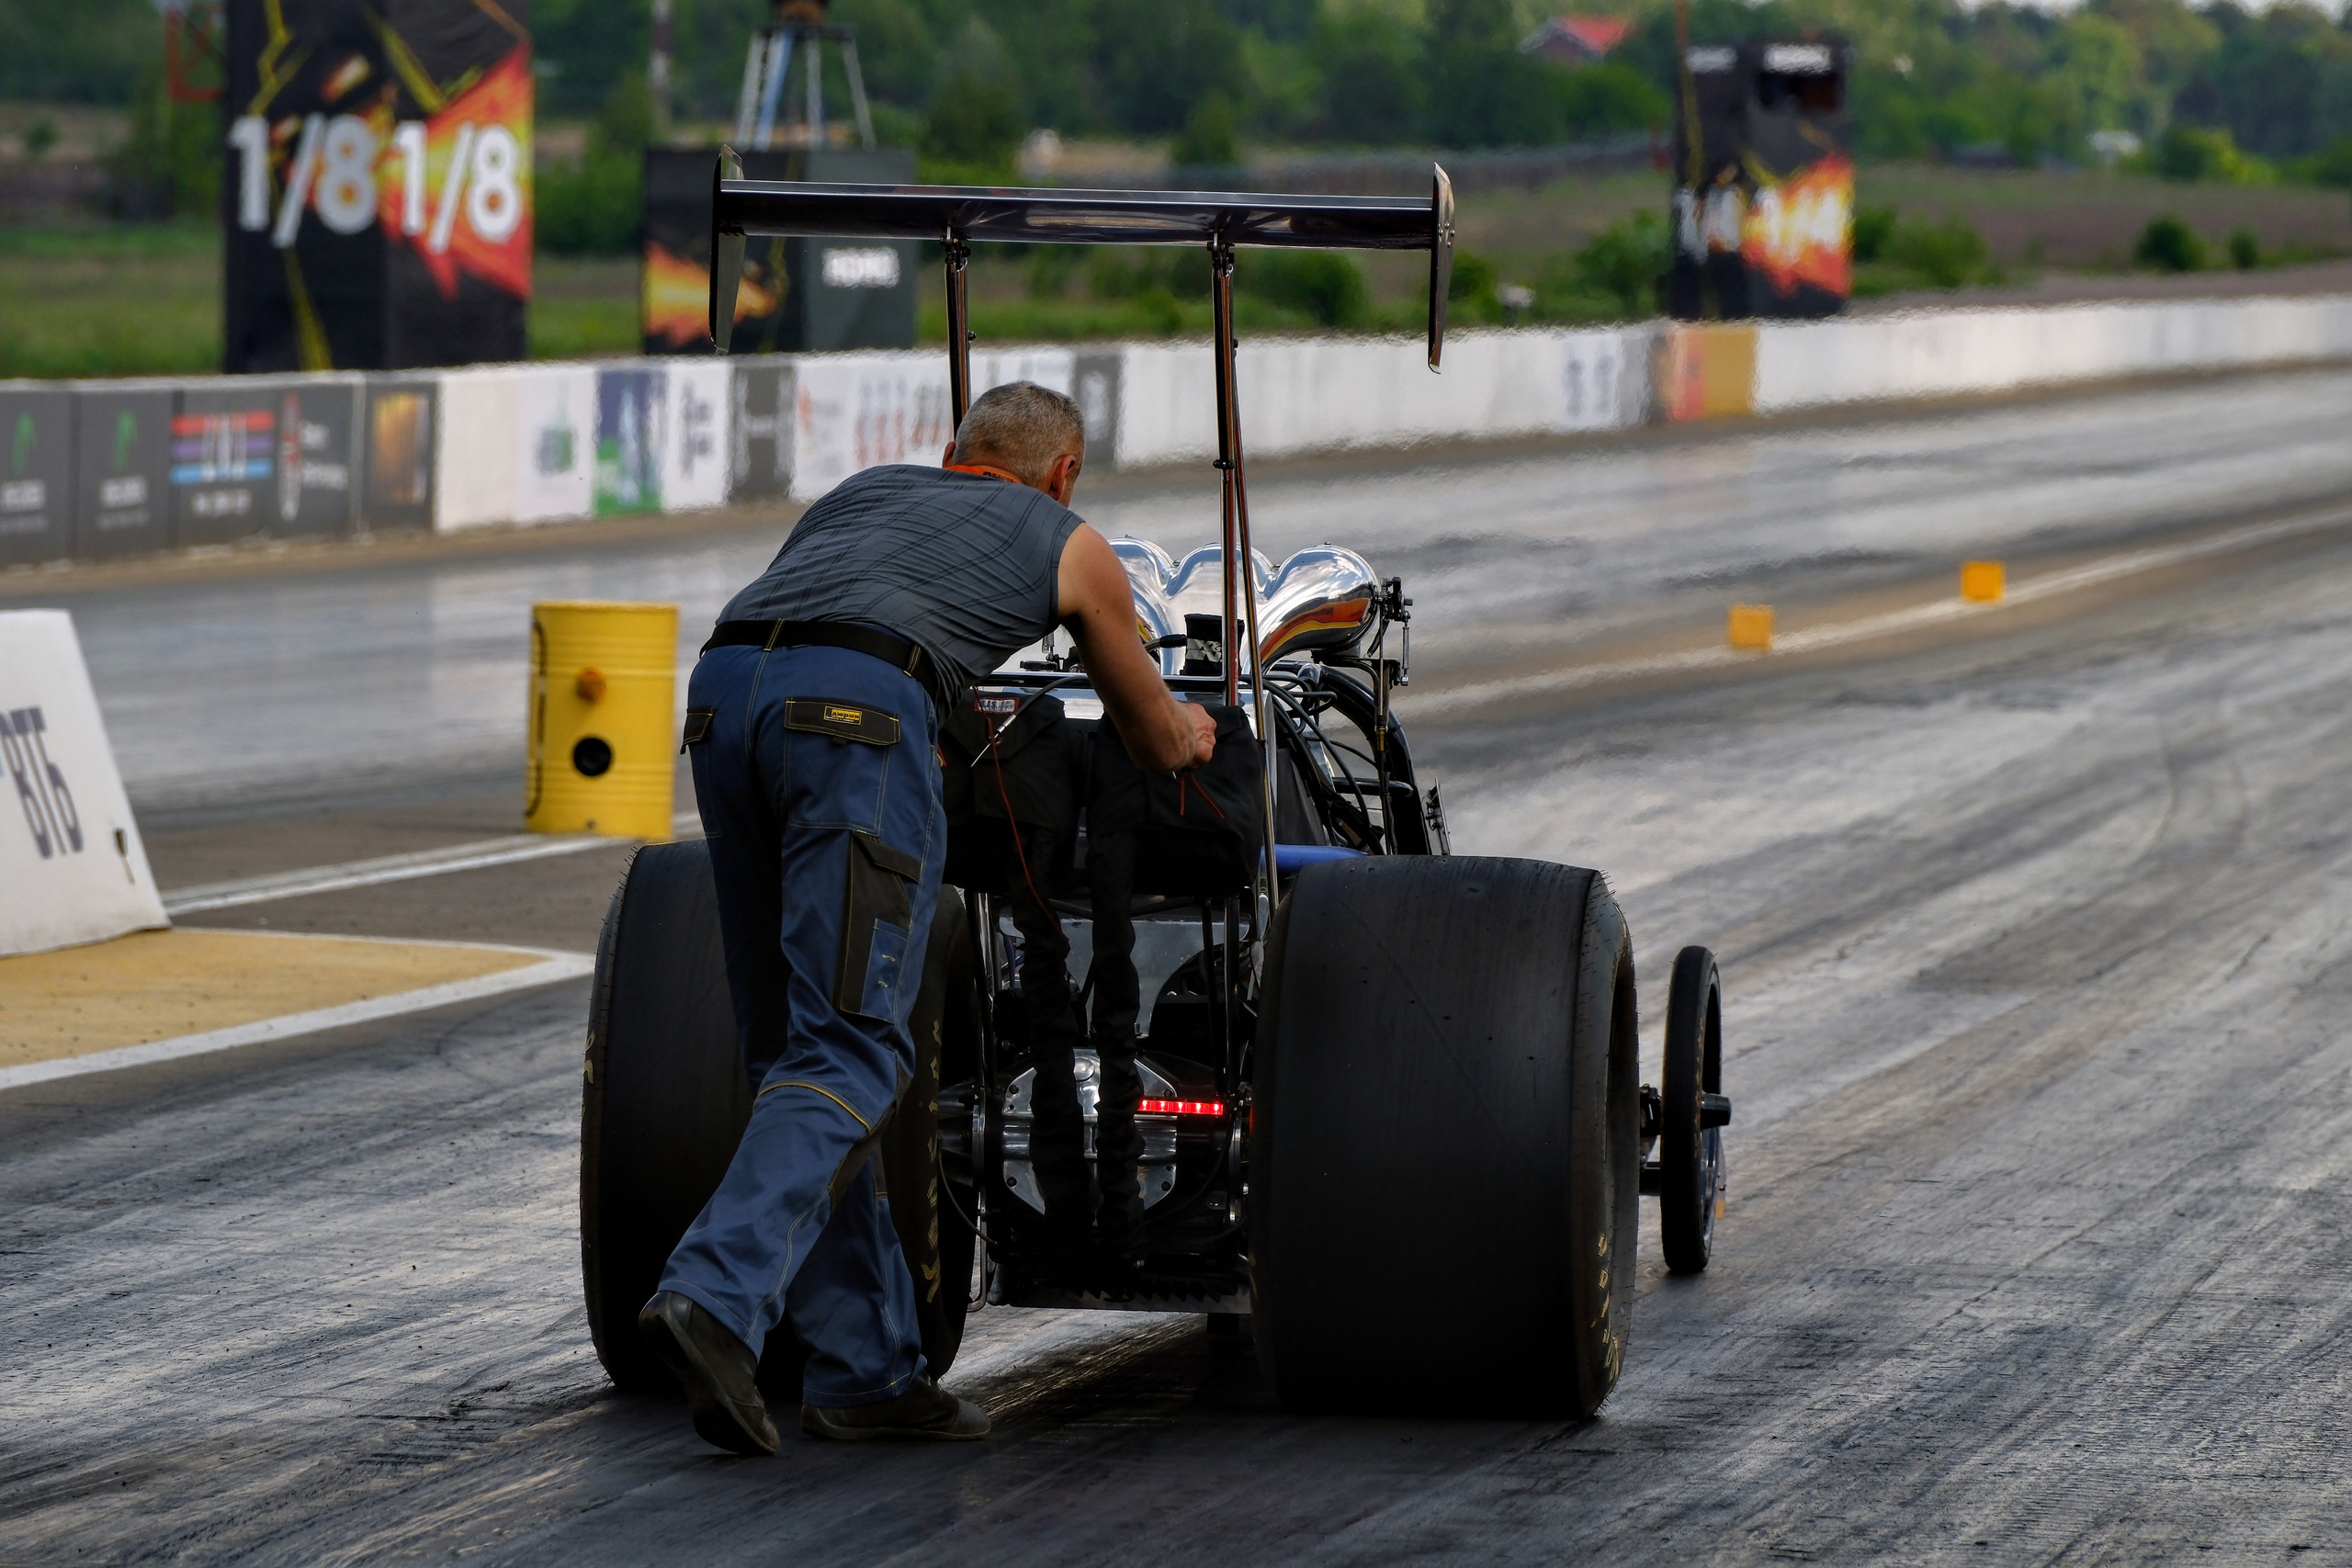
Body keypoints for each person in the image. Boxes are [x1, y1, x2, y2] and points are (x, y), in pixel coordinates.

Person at [639, 381, 1217, 1455]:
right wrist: (1192, 727)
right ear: (1062, 472)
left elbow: (839, 611)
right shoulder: (1071, 540)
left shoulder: (863, 493)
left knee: (797, 1063)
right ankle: (714, 1294)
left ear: (956, 455)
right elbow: (1146, 738)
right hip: (852, 717)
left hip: (721, 697)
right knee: (854, 1050)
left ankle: (864, 1371)